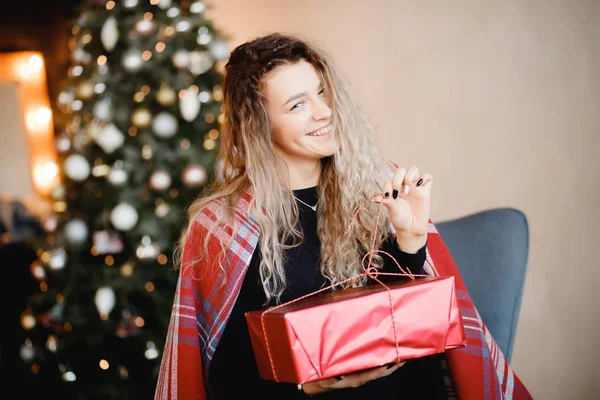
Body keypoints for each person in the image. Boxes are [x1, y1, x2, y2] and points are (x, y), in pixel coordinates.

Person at [154, 32, 533, 400]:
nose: (324, 112)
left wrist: (411, 241)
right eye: (297, 105)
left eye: (322, 92)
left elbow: (419, 336)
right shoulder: (224, 224)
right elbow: (221, 379)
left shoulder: (378, 183)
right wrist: (310, 385)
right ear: (259, 124)